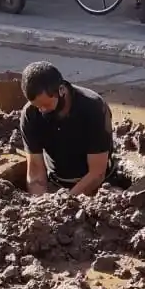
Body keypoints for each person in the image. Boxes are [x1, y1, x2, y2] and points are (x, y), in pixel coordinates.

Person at [19, 61, 118, 197]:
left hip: (99, 185)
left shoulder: (93, 108)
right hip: (57, 183)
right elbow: (35, 169)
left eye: (46, 105)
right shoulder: (30, 114)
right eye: (37, 106)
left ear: (61, 90)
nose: (42, 110)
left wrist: (66, 202)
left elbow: (97, 173)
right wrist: (39, 204)